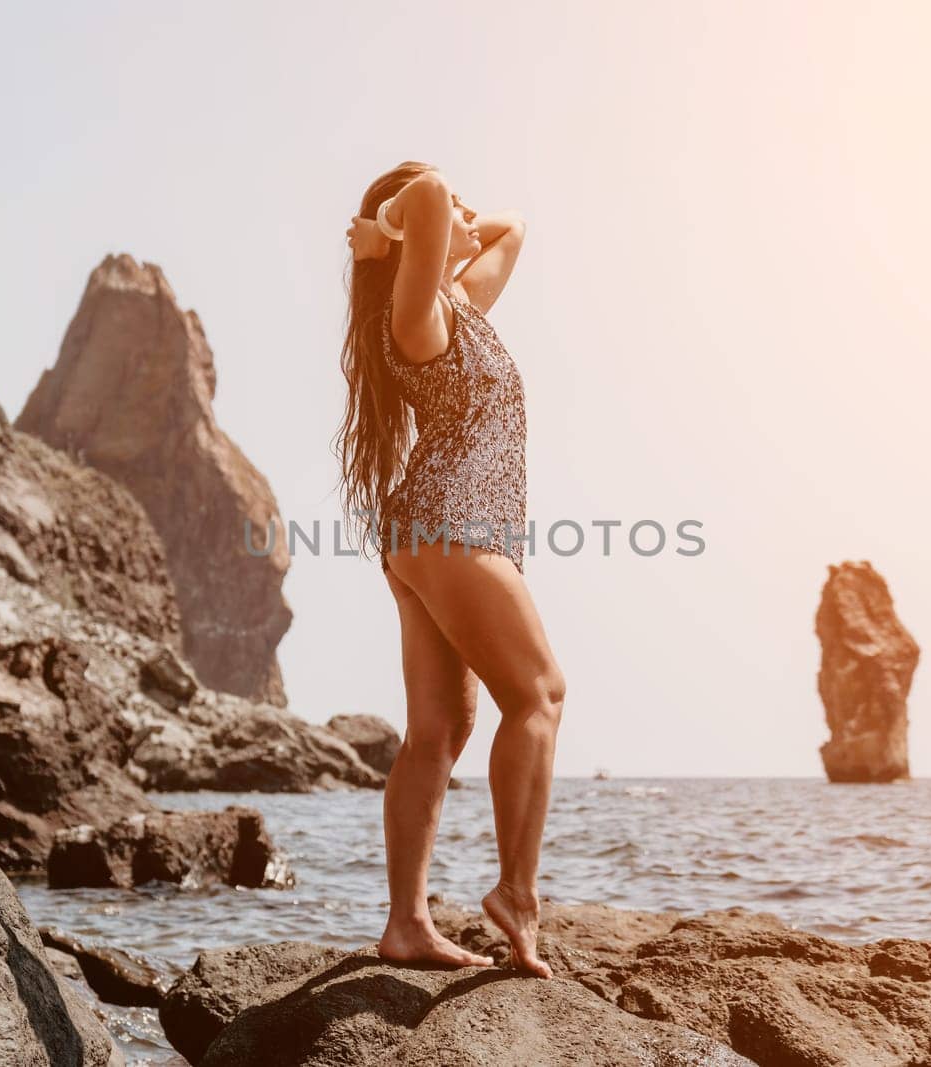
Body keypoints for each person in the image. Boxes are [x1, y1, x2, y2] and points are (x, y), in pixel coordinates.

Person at [335, 161, 564, 978]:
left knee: (441, 730)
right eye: (450, 209)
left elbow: (515, 226)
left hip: (433, 528)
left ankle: (406, 924)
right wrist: (393, 229)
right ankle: (517, 894)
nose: (464, 208)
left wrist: (438, 226)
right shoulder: (417, 314)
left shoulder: (459, 306)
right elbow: (430, 191)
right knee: (539, 694)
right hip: (452, 524)